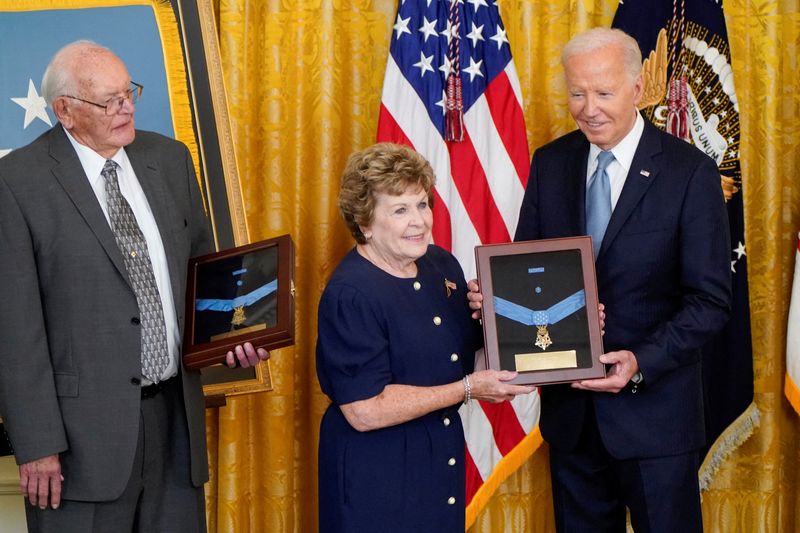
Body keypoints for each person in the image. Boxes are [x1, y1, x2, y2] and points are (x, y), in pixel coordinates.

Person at [470, 27, 731, 532]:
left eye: (604, 93)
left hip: (655, 420)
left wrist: (639, 361)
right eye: (576, 92)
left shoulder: (690, 173)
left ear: (638, 88)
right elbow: (527, 271)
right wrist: (496, 299)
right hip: (572, 420)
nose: (588, 107)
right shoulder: (551, 163)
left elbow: (711, 301)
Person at [0, 41, 267, 532]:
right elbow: (15, 328)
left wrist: (233, 336)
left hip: (174, 424)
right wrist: (37, 444)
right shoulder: (16, 182)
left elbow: (204, 271)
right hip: (79, 442)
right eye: (109, 100)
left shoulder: (168, 158)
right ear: (66, 111)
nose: (127, 107)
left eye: (130, 93)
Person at [316, 143, 534, 532]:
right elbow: (364, 410)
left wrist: (512, 335)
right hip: (377, 479)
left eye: (421, 204)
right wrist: (468, 389)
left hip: (437, 466)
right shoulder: (351, 294)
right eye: (400, 210)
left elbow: (472, 360)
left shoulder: (440, 266)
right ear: (364, 222)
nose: (419, 221)